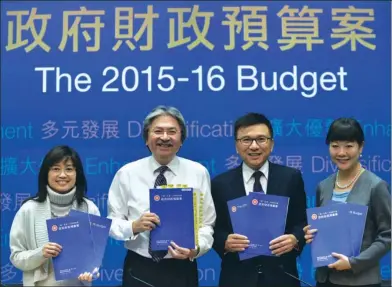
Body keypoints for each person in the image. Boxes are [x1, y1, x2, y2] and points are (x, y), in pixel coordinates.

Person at [107, 105, 216, 287]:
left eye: (172, 132)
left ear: (181, 139)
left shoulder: (198, 173)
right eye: (158, 131)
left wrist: (195, 249)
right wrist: (134, 226)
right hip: (140, 268)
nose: (165, 137)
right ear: (147, 138)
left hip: (182, 268)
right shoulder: (126, 173)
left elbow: (207, 224)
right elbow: (112, 223)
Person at [211, 112, 308, 287]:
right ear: (236, 146)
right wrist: (224, 241)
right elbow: (213, 227)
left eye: (261, 139)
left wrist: (295, 239)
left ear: (271, 144)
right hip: (237, 277)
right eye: (246, 140)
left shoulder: (290, 178)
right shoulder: (220, 184)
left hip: (281, 275)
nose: (254, 146)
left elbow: (302, 221)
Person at [304, 118, 391, 287]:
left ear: (361, 147)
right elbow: (324, 229)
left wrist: (354, 262)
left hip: (361, 281)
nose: (341, 152)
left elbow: (388, 235)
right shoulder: (324, 186)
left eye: (349, 146)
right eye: (335, 145)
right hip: (325, 279)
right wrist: (313, 234)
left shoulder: (376, 186)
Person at [9, 145, 101, 286]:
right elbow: (16, 257)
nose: (62, 175)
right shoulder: (28, 210)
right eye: (56, 169)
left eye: (69, 169)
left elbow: (94, 259)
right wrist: (41, 253)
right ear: (46, 173)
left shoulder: (89, 209)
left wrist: (92, 272)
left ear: (78, 173)